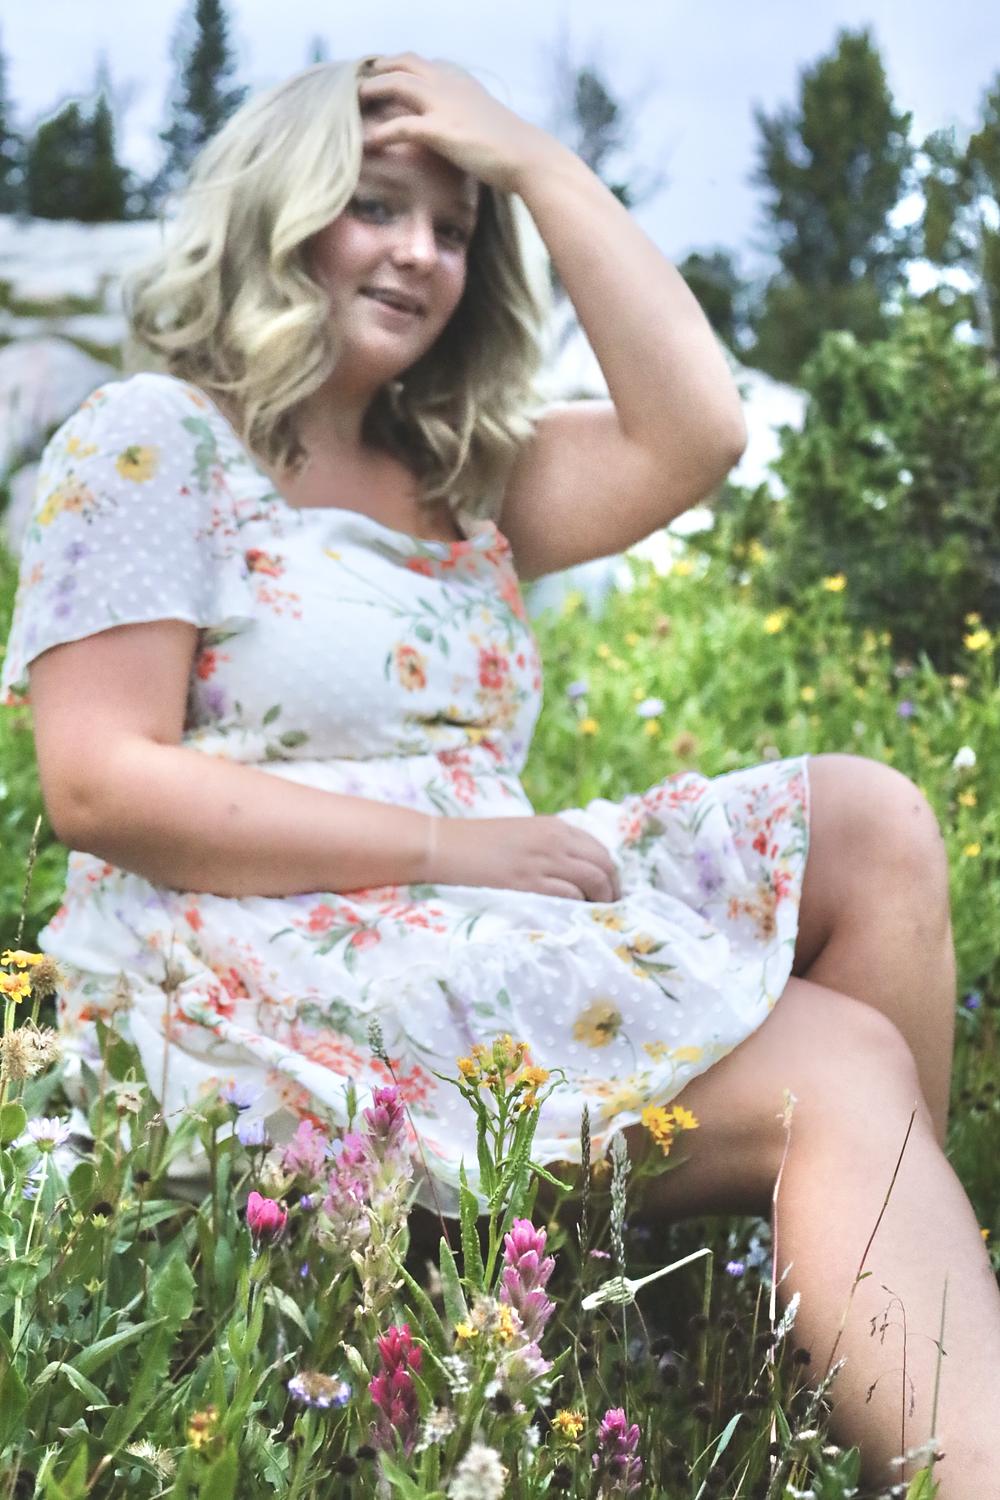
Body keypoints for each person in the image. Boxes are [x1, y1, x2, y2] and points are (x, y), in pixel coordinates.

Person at [2, 53, 997, 1493]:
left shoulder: (454, 474)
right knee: (843, 1067)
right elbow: (100, 785)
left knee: (870, 821)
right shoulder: (157, 436)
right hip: (254, 957)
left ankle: (826, 1342)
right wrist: (451, 852)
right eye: (375, 207)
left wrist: (535, 159)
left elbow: (699, 430)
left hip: (477, 909)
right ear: (279, 217)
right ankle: (938, 1432)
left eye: (454, 228)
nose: (420, 252)